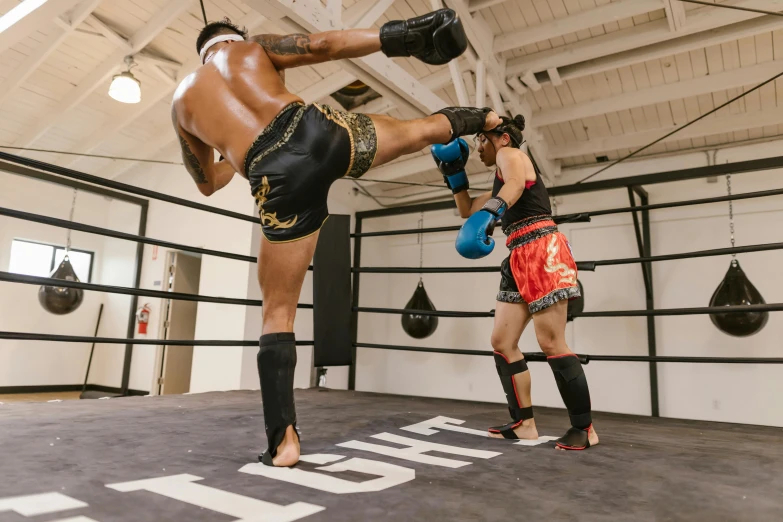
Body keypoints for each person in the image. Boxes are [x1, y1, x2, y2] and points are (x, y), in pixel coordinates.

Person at [171, 12, 502, 467]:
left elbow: (207, 183)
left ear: (202, 51)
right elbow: (321, 44)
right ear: (232, 39)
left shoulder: (182, 102)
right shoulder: (253, 48)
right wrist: (396, 38)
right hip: (318, 130)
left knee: (278, 312)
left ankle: (284, 442)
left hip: (275, 175)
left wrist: (238, 151)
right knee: (416, 132)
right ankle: (491, 120)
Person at [431, 116, 599, 450]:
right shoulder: (500, 179)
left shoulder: (512, 156)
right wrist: (454, 174)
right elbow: (466, 209)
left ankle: (585, 429)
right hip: (517, 256)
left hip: (541, 248)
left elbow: (516, 186)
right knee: (502, 340)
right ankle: (525, 424)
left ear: (502, 138)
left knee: (551, 342)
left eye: (482, 140)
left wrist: (491, 212)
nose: (478, 147)